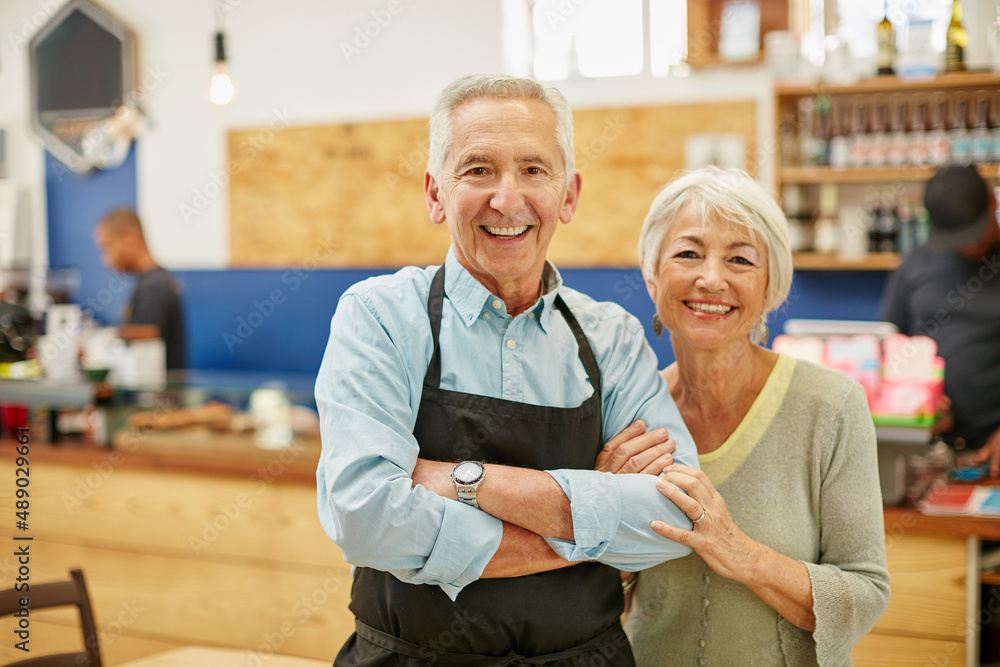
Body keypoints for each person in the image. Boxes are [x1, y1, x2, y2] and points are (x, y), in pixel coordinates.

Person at [315, 74, 700, 666]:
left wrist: (463, 481)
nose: (507, 198)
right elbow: (364, 515)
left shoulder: (613, 338)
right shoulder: (380, 317)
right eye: (477, 170)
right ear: (435, 192)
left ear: (568, 195)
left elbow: (676, 510)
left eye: (533, 170)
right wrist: (590, 520)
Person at [616, 167, 889, 665]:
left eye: (740, 259)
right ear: (652, 274)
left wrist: (739, 552)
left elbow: (866, 593)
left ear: (770, 288)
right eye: (688, 253)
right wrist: (604, 539)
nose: (711, 278)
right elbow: (602, 603)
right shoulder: (626, 411)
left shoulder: (831, 407)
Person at [880, 164, 1000, 474]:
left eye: (974, 234)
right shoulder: (915, 265)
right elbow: (889, 347)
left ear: (993, 202)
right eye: (958, 238)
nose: (968, 245)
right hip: (925, 454)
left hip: (991, 454)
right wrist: (914, 394)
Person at [93, 208, 187, 370]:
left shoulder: (154, 285)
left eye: (107, 246)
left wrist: (104, 336)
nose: (105, 259)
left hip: (158, 394)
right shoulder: (152, 280)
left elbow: (149, 332)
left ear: (129, 239)